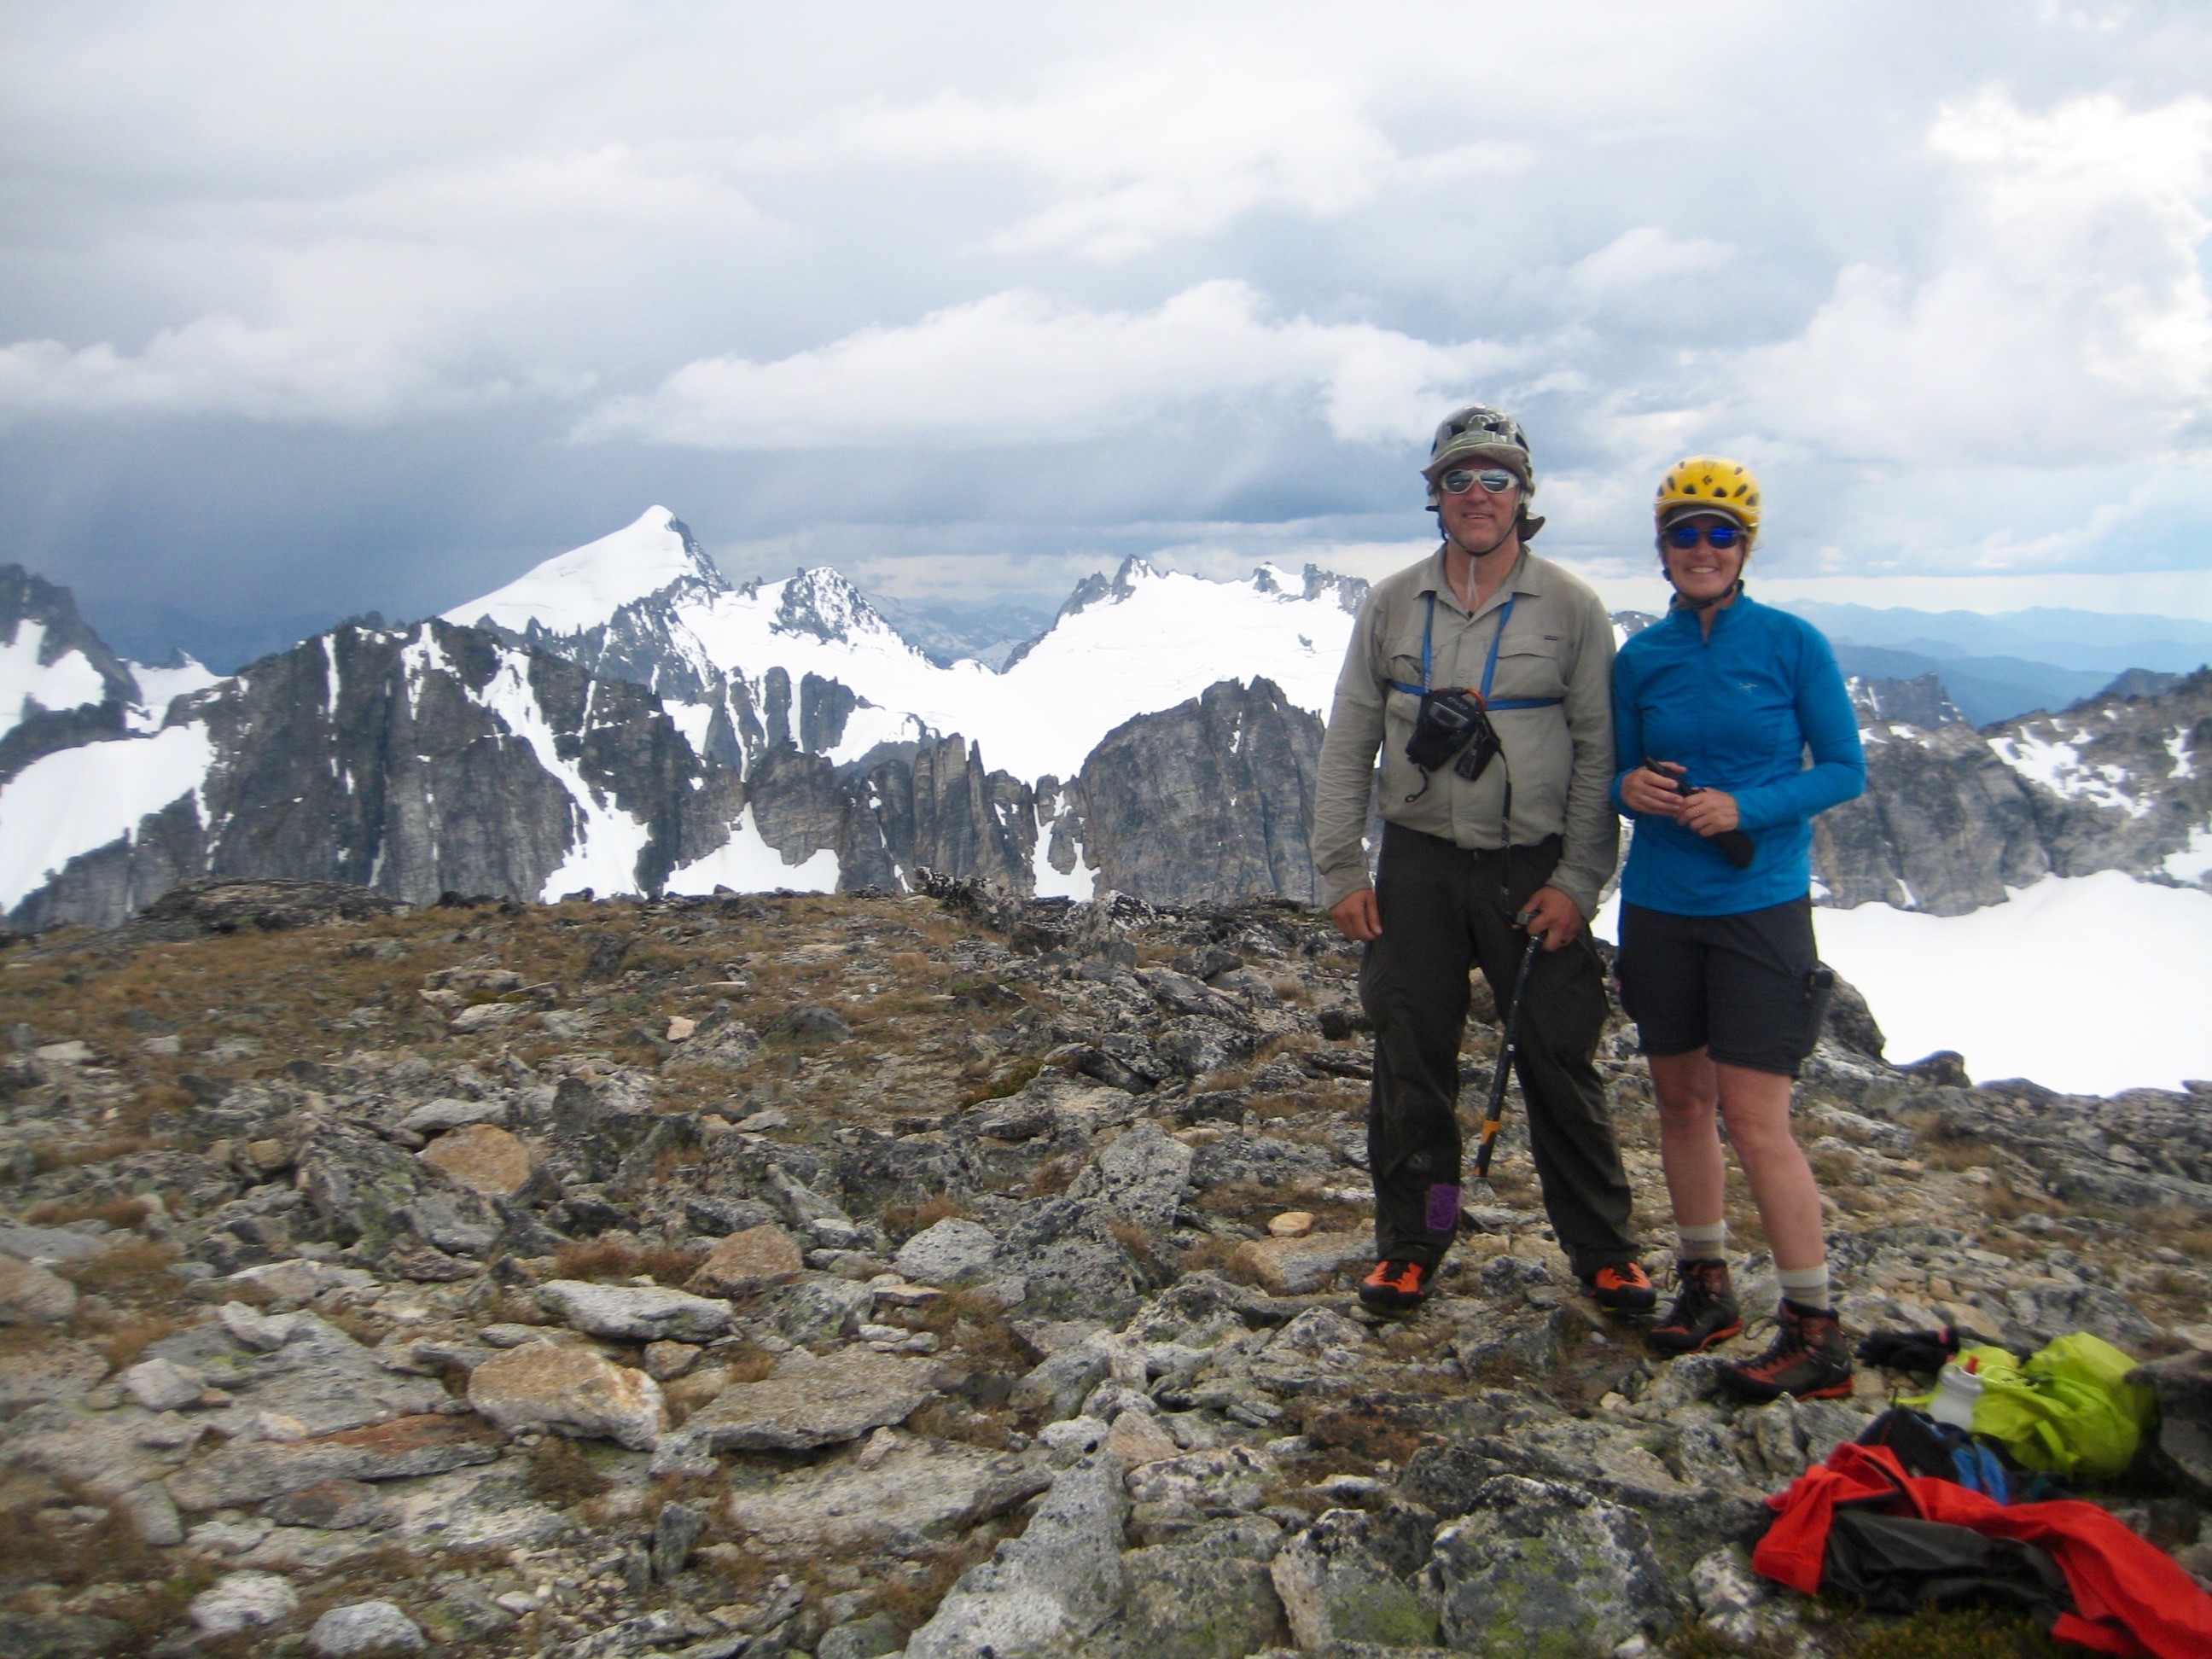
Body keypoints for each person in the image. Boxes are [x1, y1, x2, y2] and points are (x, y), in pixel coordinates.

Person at [1313, 405, 1650, 1315]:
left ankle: (1604, 1249)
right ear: (1436, 496)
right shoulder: (1390, 603)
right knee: (1410, 1055)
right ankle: (1416, 1240)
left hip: (1528, 869)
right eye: (1458, 478)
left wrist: (1579, 882)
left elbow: (1597, 755)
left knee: (1555, 1056)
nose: (1477, 494)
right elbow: (1350, 739)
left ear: (1522, 495)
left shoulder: (1573, 609)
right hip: (1417, 864)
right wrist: (1342, 869)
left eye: (1495, 478)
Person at [1611, 456, 1867, 1400]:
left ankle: (1814, 1326)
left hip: (1760, 906)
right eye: (1686, 532)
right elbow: (1619, 773)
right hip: (1661, 906)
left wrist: (1749, 808)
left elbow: (1843, 769)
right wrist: (1624, 788)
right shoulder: (1641, 659)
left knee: (1756, 1120)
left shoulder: (1792, 645)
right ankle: (1706, 1286)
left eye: (1721, 533)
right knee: (1680, 1103)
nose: (1703, 548)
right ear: (1664, 550)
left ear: (1746, 548)